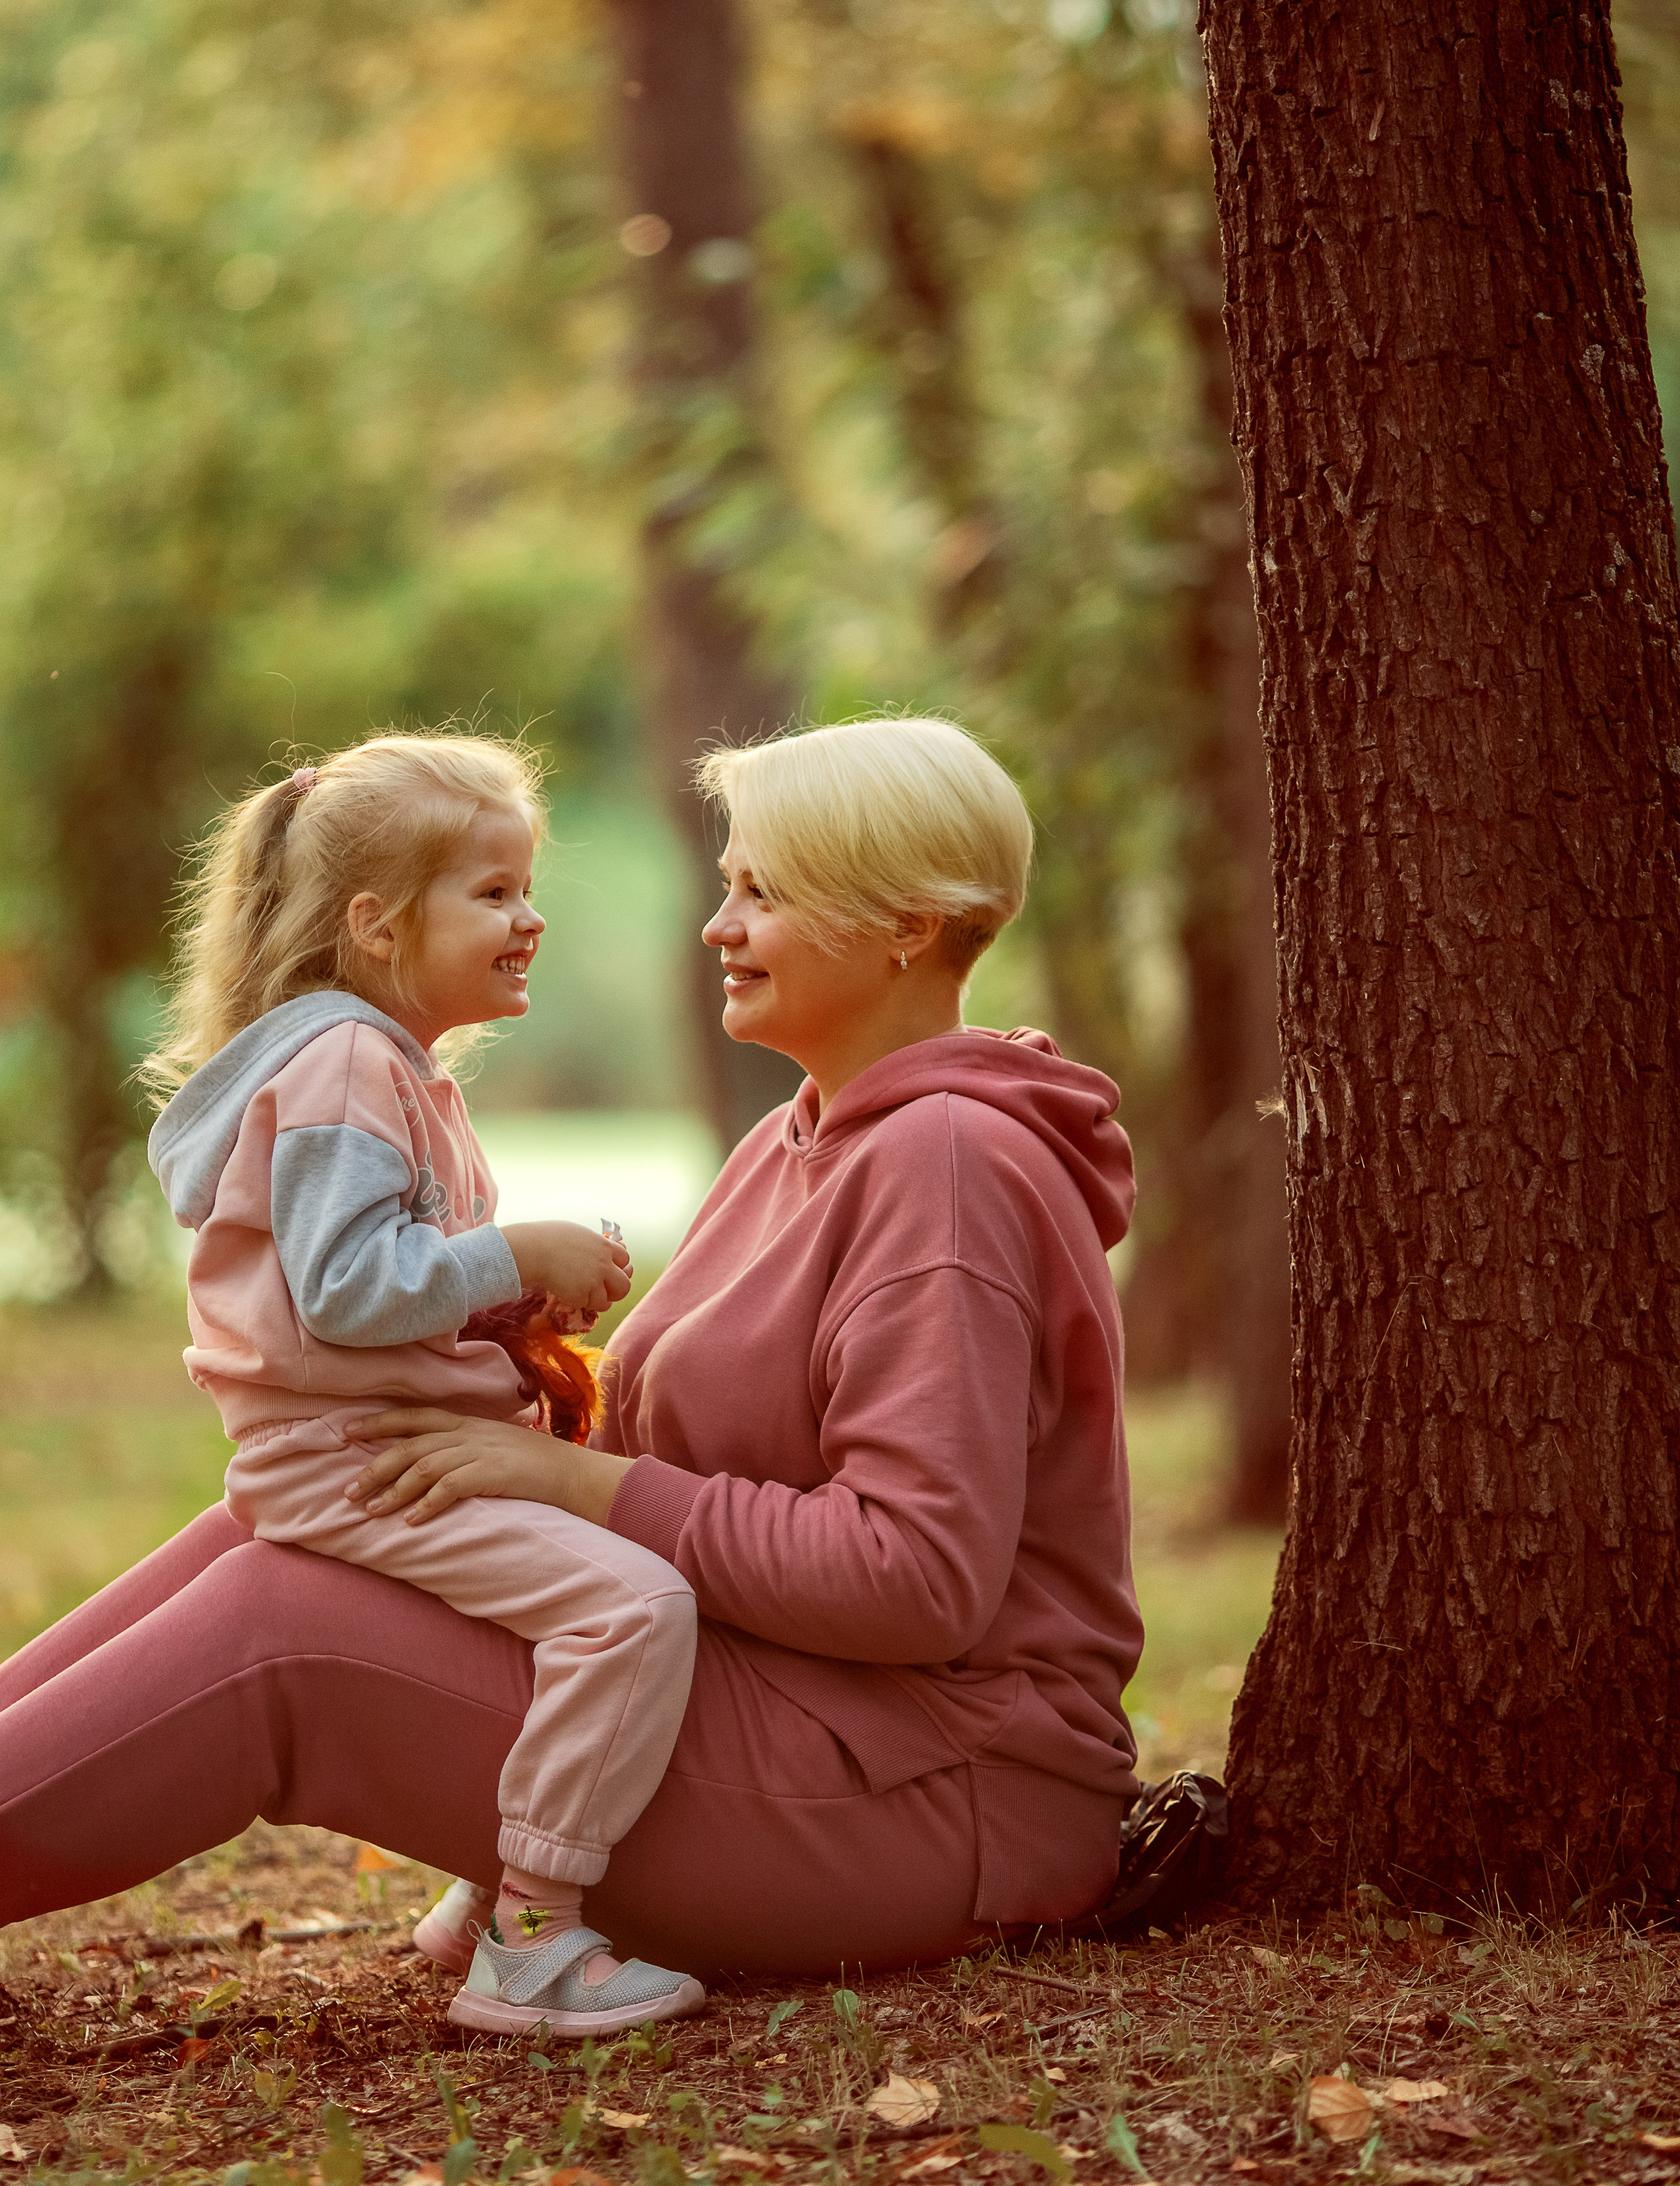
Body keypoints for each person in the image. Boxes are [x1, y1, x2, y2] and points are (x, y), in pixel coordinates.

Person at [0, 716, 1144, 1978]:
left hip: (932, 1791)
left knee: (287, 1620)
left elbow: (913, 1580)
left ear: (906, 926)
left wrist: (576, 1482)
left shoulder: (950, 1167)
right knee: (301, 1511)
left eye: (762, 895)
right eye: (729, 889)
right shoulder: (798, 1141)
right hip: (805, 1714)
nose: (718, 927)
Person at [139, 730, 705, 2039]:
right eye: (493, 893)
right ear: (378, 925)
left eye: (527, 887)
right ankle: (532, 1939)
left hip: (365, 1437)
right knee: (633, 1613)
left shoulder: (390, 1067)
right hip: (354, 1459)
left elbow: (371, 1280)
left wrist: (512, 1298)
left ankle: (478, 1894)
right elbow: (347, 1288)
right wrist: (514, 1251)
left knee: (543, 1612)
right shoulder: (345, 1066)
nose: (531, 918)